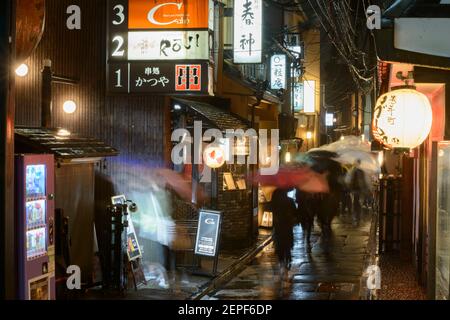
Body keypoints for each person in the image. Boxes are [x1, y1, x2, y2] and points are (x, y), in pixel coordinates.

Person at [270, 188, 297, 280]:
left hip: (278, 226)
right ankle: (287, 257)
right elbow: (295, 213)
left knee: (279, 242)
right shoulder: (290, 201)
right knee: (288, 242)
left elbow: (271, 208)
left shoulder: (275, 198)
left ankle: (282, 259)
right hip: (287, 226)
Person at [348, 159, 369, 225]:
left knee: (356, 201)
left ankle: (357, 215)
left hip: (358, 189)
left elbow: (362, 180)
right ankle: (357, 215)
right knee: (356, 201)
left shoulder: (355, 171)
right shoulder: (355, 171)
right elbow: (352, 180)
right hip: (357, 189)